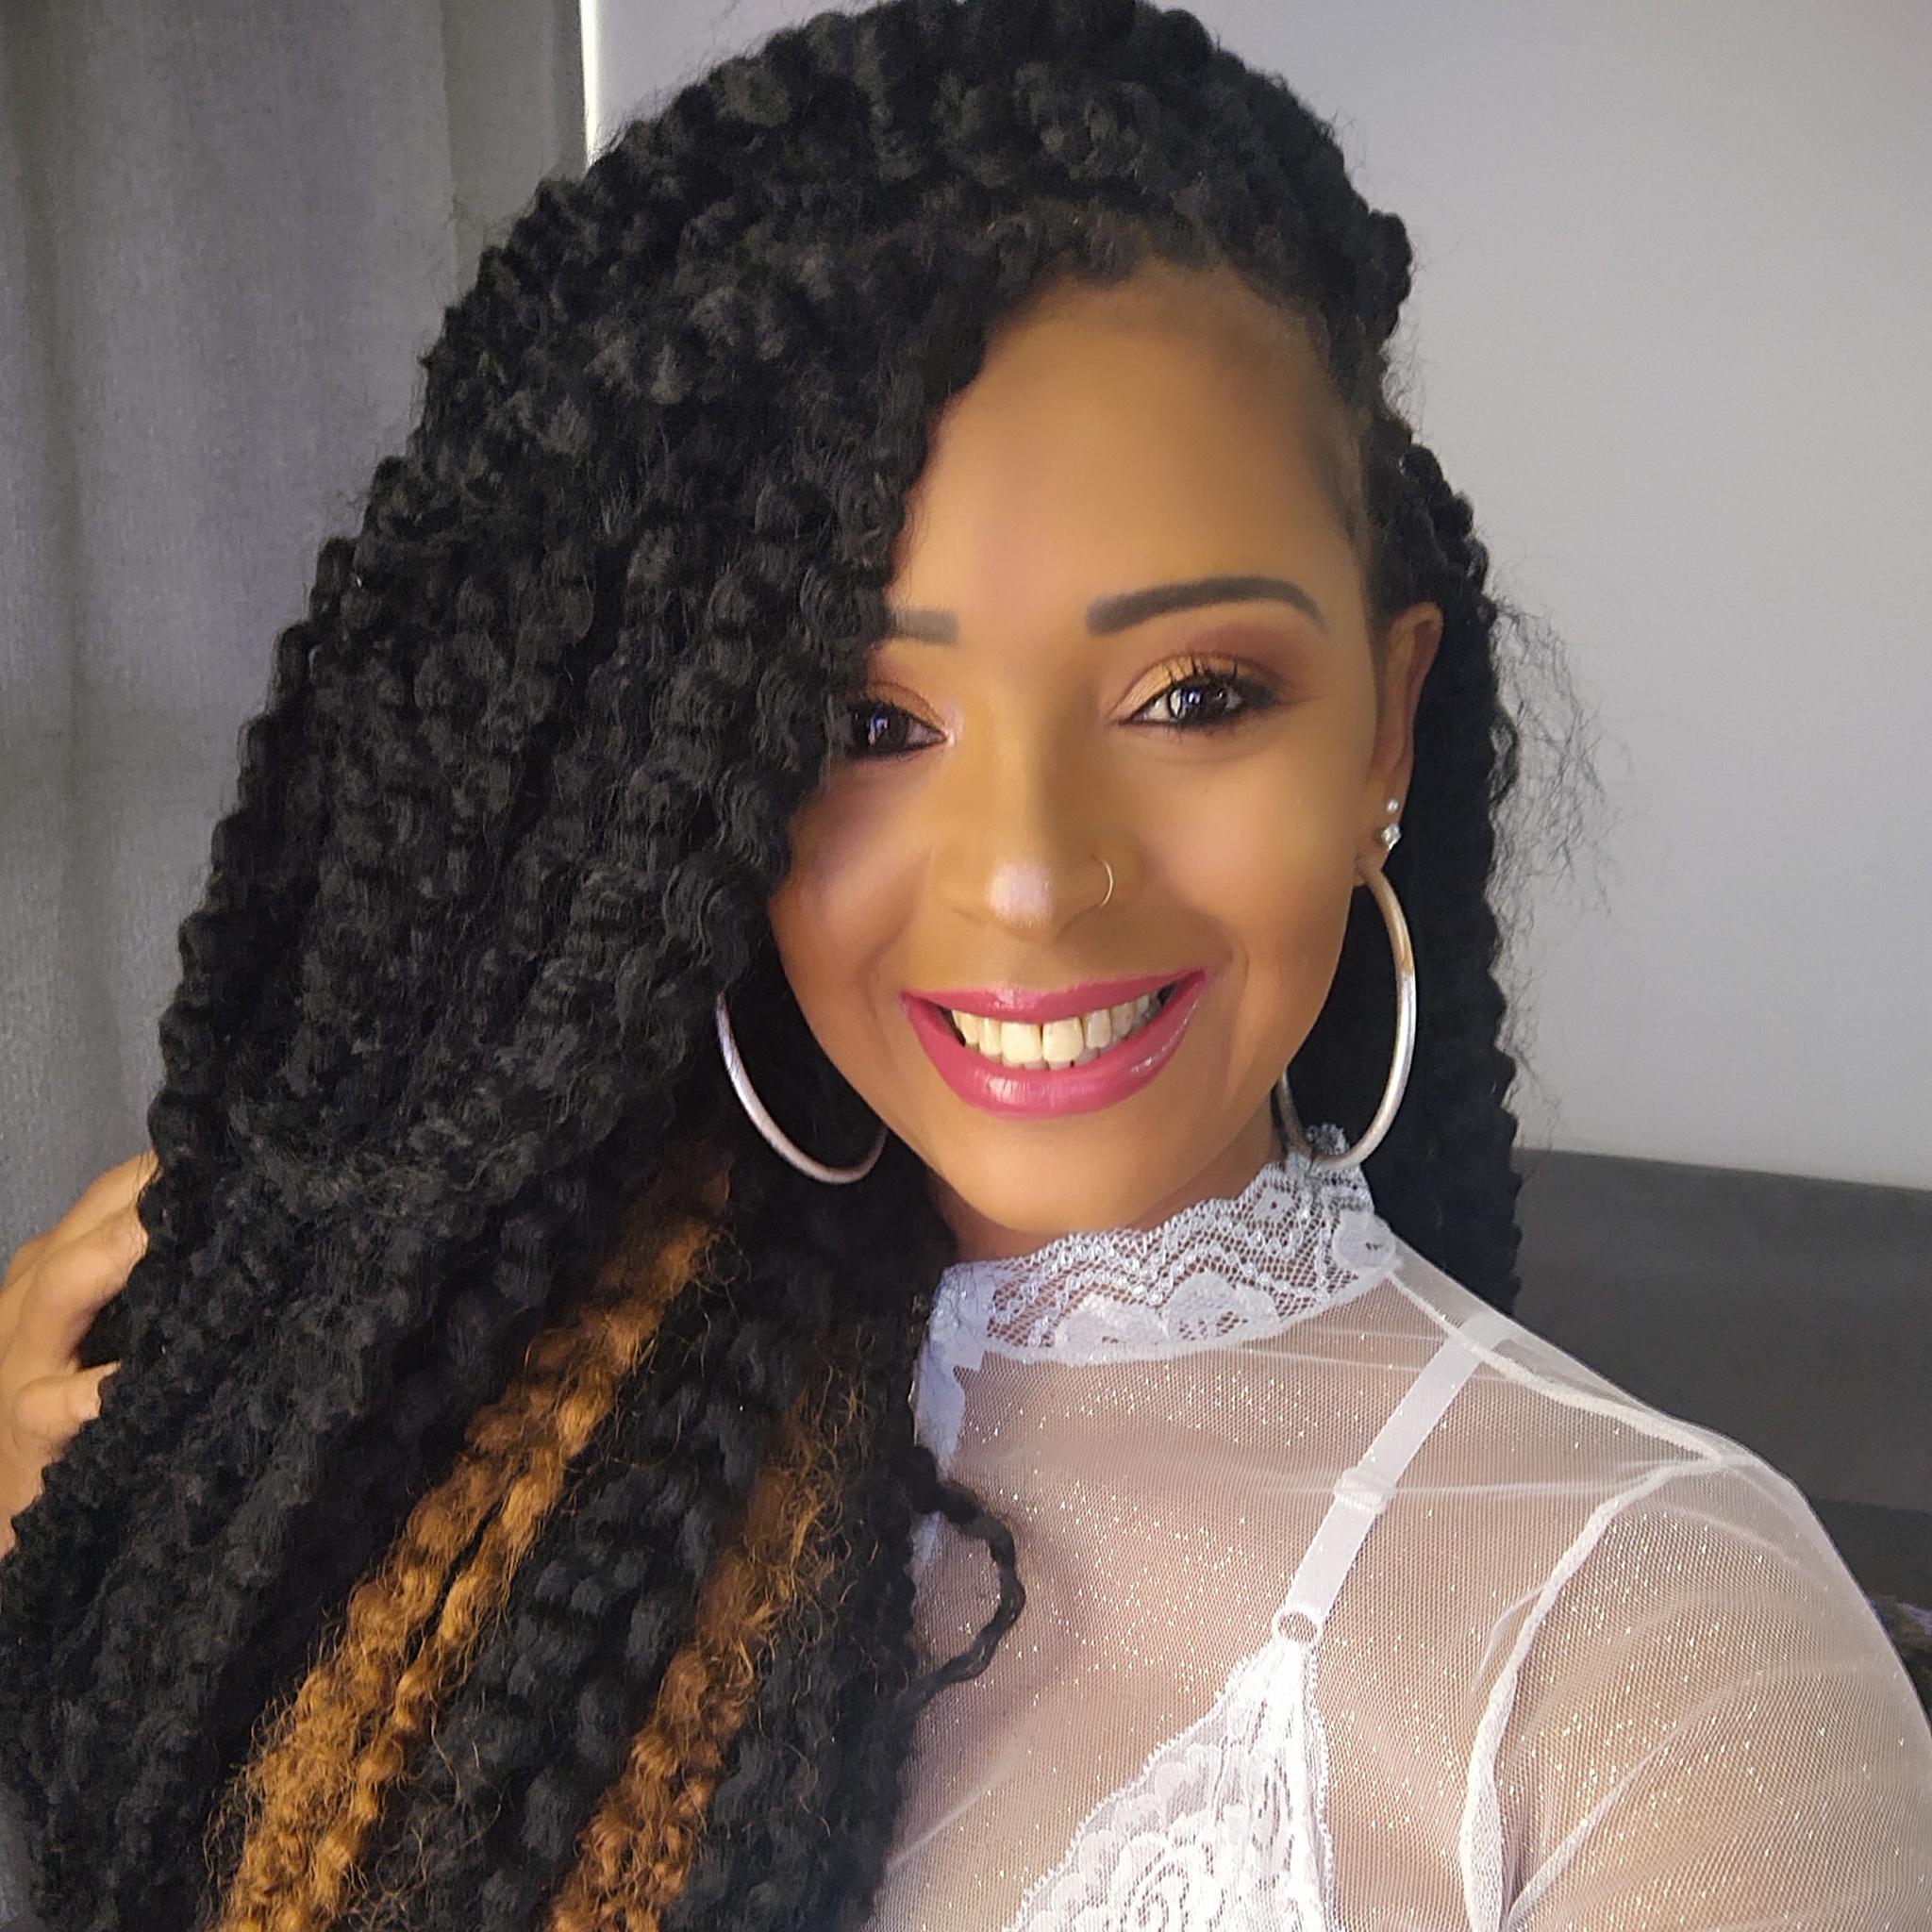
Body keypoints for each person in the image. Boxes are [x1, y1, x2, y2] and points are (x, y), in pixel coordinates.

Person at [2, 1, 1926, 1927]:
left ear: (1385, 731)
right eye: (867, 724)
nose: (1030, 876)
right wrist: (85, 1552)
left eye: (1195, 694)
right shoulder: (447, 1439)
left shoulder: (1673, 1666)